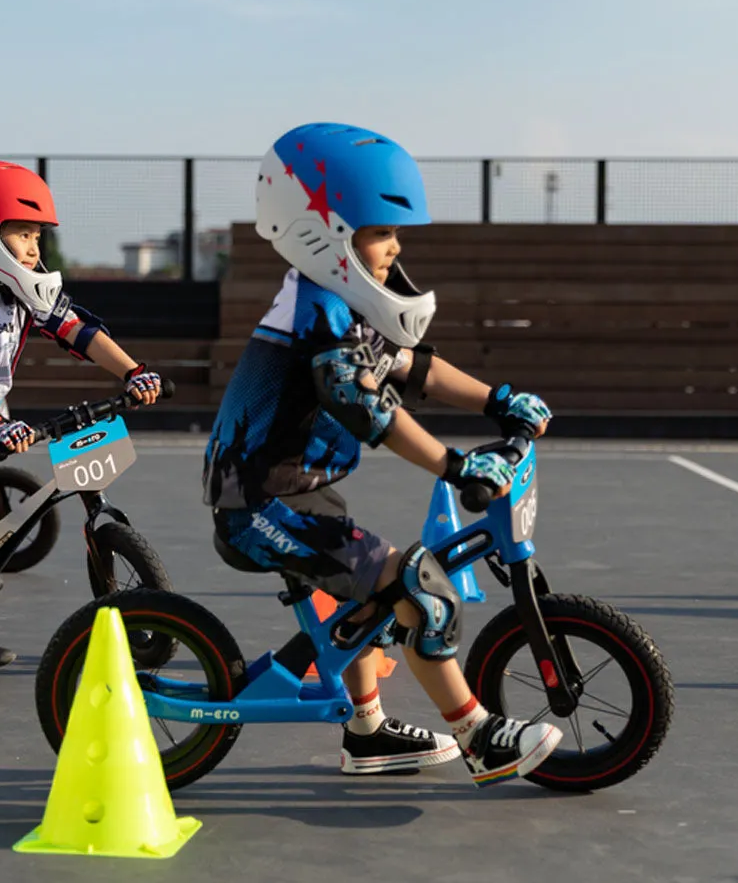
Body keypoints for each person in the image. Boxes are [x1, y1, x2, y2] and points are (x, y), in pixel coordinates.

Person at [204, 123, 562, 785]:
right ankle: (480, 737)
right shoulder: (317, 316)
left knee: (362, 597)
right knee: (415, 589)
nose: (393, 246)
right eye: (376, 231)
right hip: (258, 503)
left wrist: (501, 400)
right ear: (322, 229)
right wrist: (457, 467)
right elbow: (373, 412)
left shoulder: (343, 302)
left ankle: (366, 734)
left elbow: (413, 368)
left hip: (296, 489)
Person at [0, 160, 163, 676]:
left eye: (37, 234)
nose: (35, 248)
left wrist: (134, 371)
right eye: (23, 233)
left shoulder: (23, 288)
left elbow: (75, 328)